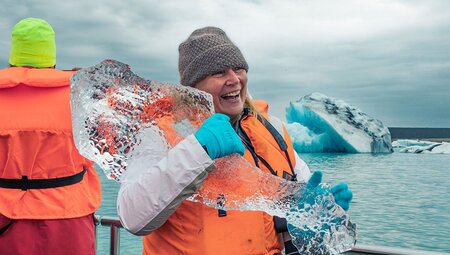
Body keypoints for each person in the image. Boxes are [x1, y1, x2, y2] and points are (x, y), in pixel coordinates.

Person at [118, 26, 353, 255]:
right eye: (219, 72)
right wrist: (199, 150)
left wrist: (319, 212)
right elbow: (133, 218)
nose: (234, 80)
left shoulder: (273, 132)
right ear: (193, 87)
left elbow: (296, 218)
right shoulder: (161, 133)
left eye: (239, 69)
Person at [0, 18, 101, 254]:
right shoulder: (81, 97)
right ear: (51, 57)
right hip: (69, 219)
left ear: (14, 55)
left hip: (4, 223)